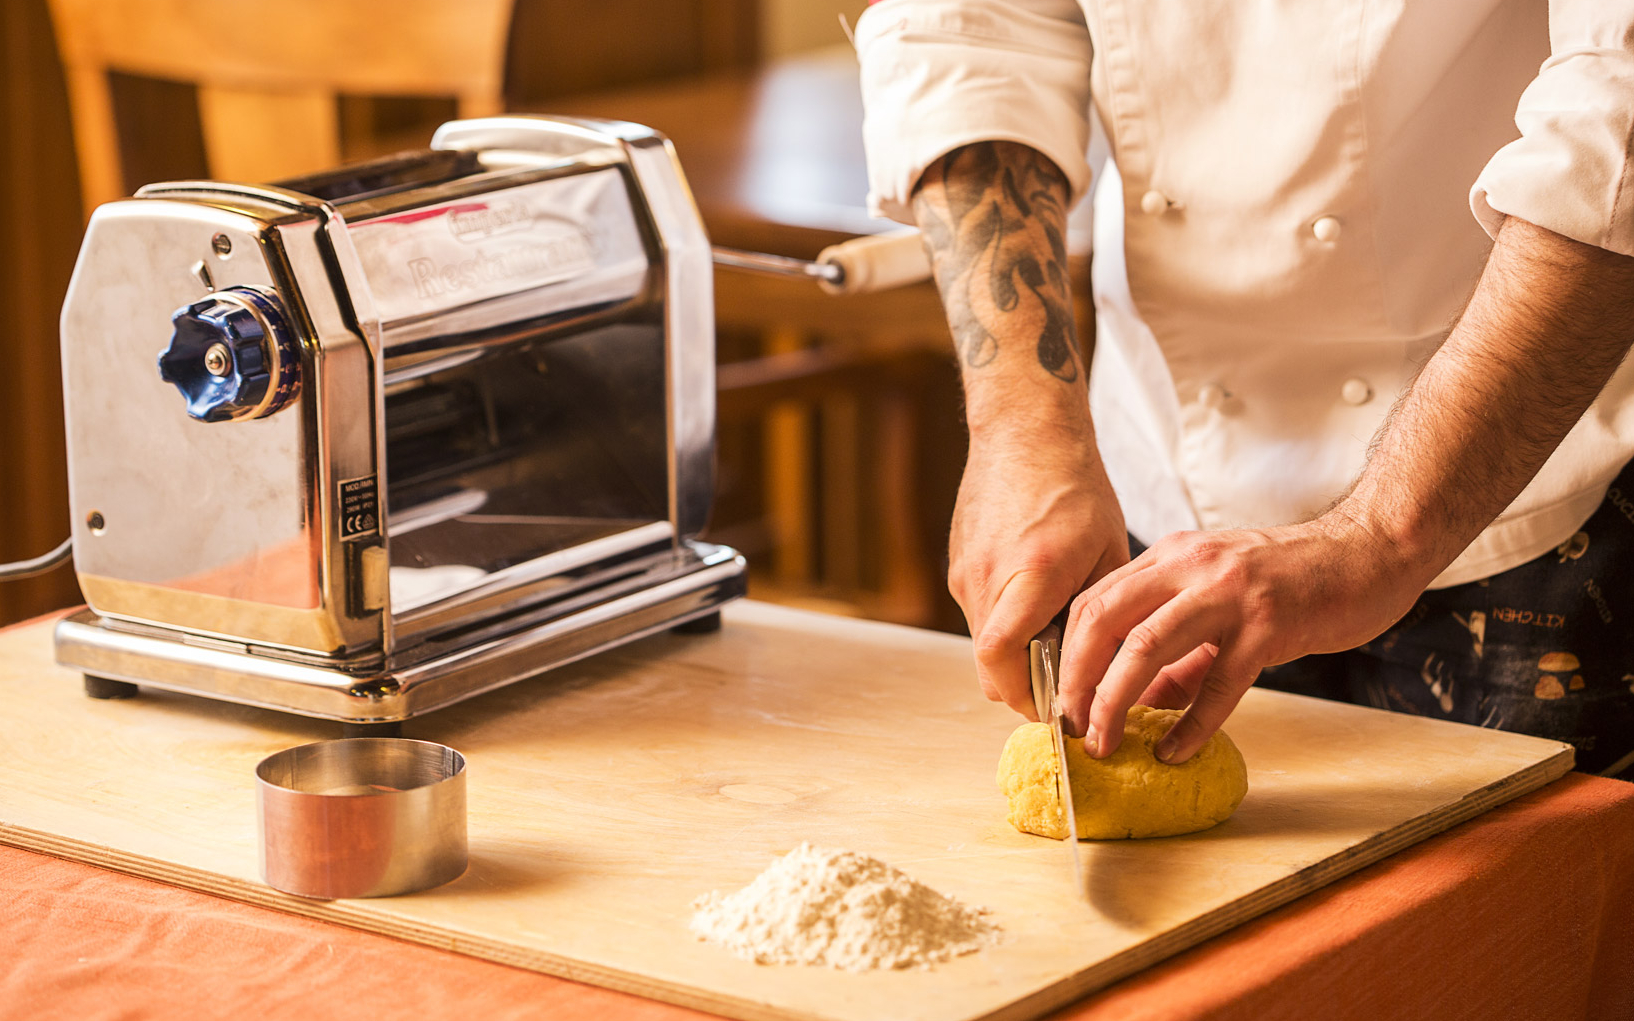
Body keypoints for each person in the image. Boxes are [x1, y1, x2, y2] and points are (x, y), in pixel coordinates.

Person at [854, 0, 1634, 776]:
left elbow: (1616, 119)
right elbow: (970, 30)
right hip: (1168, 524)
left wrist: (1376, 536)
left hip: (1531, 505)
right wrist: (1022, 431)